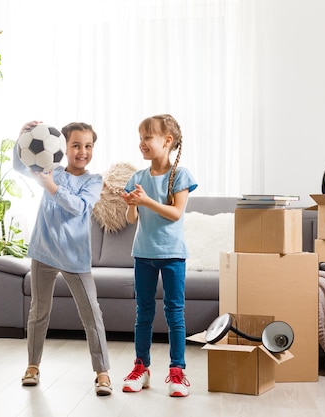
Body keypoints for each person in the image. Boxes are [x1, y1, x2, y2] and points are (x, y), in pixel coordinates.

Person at [15, 121, 112, 396]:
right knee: (39, 312)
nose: (83, 151)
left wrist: (52, 187)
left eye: (88, 146)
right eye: (76, 145)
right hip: (43, 252)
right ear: (63, 147)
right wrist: (21, 136)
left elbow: (79, 208)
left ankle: (102, 372)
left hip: (75, 256)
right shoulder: (51, 168)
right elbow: (21, 165)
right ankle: (32, 366)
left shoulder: (93, 181)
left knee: (92, 313)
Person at [120, 114, 197, 397]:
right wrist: (131, 204)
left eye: (147, 137)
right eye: (140, 138)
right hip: (143, 254)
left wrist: (146, 200)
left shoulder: (181, 176)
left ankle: (177, 371)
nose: (142, 143)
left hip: (173, 255)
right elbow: (131, 219)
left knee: (174, 314)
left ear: (167, 141)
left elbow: (175, 213)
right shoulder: (137, 178)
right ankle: (142, 367)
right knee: (144, 314)